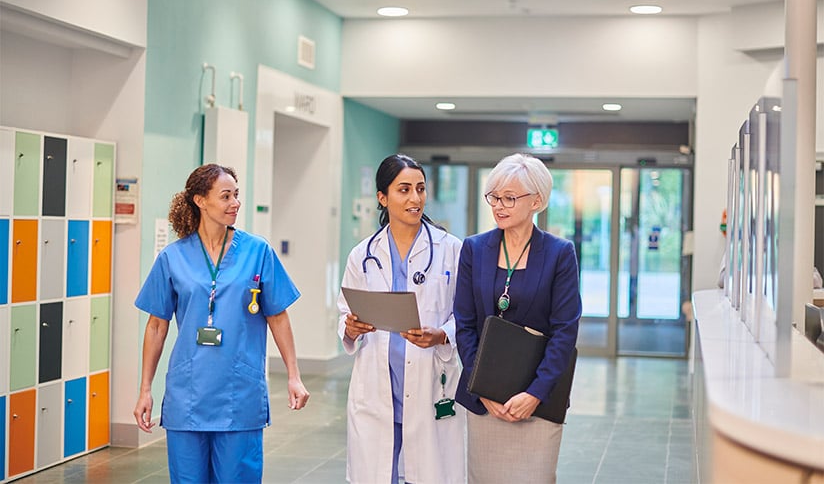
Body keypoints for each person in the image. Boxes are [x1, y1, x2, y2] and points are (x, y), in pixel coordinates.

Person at [133, 163, 309, 484]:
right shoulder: (172, 257)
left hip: (238, 393)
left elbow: (278, 316)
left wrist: (294, 376)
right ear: (200, 201)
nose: (235, 204)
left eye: (236, 196)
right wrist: (145, 390)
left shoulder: (258, 252)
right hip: (187, 394)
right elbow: (157, 326)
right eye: (225, 196)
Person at [337, 154, 466, 484]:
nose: (415, 198)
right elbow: (344, 312)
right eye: (404, 189)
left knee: (428, 473)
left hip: (429, 383)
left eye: (420, 189)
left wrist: (441, 335)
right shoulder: (363, 254)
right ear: (383, 197)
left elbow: (467, 314)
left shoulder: (452, 249)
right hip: (377, 389)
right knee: (377, 473)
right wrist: (350, 327)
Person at [454, 153, 582, 484]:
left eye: (509, 198)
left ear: (536, 201)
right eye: (494, 196)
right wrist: (481, 389)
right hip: (485, 402)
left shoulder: (559, 254)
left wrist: (534, 394)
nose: (499, 205)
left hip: (537, 401)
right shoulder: (474, 249)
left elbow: (565, 332)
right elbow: (464, 324)